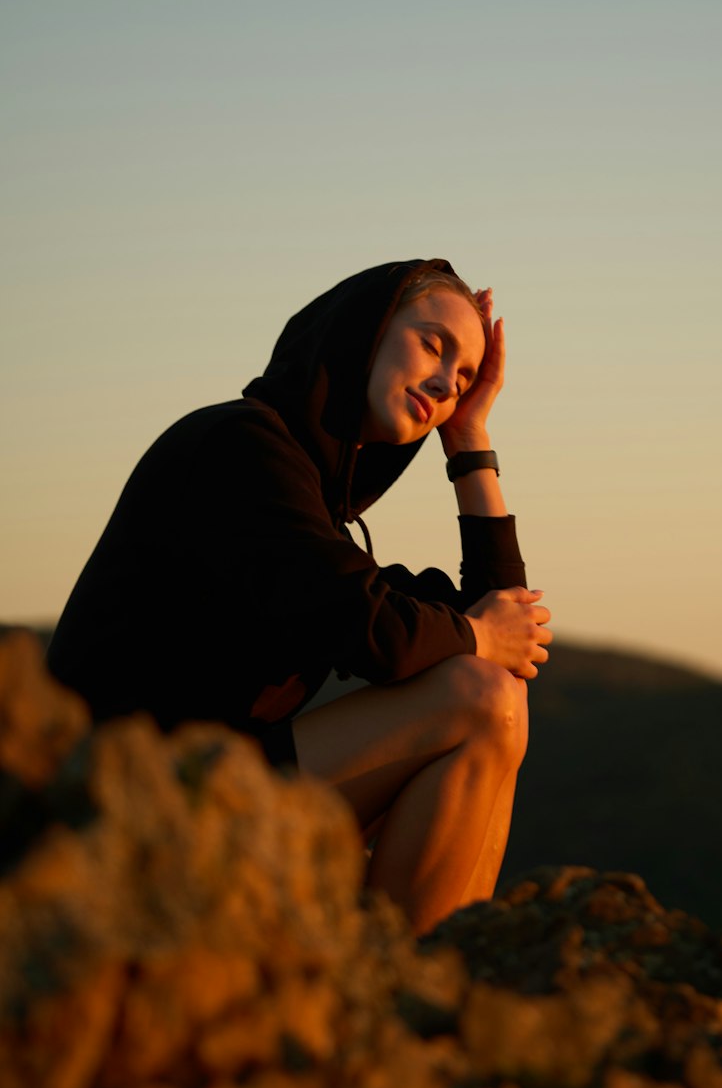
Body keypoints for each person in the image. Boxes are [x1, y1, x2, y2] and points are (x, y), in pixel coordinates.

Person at [48, 257, 552, 933]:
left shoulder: (316, 504)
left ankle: (439, 981)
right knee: (478, 699)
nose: (444, 380)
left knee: (497, 695)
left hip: (207, 789)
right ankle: (405, 995)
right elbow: (376, 630)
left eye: (462, 378)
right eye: (433, 344)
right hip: (116, 809)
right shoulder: (237, 447)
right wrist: (481, 637)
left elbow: (508, 632)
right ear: (365, 331)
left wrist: (468, 438)